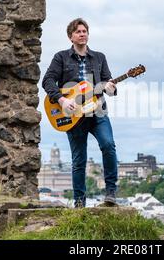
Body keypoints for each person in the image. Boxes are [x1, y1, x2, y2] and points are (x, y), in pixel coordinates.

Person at [42, 18, 119, 208]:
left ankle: (110, 192)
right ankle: (79, 202)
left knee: (108, 145)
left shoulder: (99, 57)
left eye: (85, 31)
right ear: (71, 37)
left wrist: (111, 88)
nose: (82, 34)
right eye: (78, 31)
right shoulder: (61, 58)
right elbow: (48, 81)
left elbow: (108, 84)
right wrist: (62, 99)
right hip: (73, 115)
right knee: (79, 160)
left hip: (98, 111)